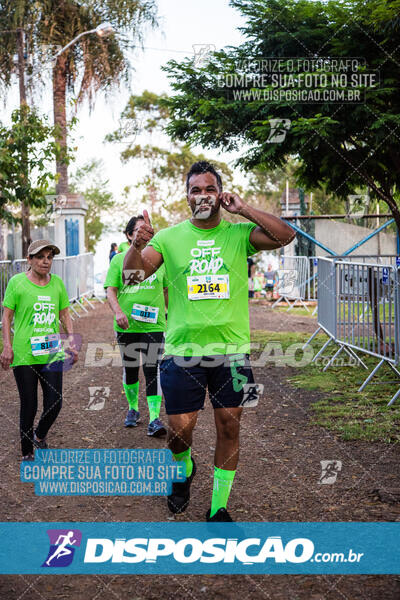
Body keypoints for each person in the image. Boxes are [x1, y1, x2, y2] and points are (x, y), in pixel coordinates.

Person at [123, 161, 295, 521]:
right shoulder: (169, 238)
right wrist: (136, 246)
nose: (202, 195)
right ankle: (183, 471)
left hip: (232, 352)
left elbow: (285, 236)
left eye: (209, 189)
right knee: (179, 433)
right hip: (183, 352)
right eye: (195, 190)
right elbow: (134, 276)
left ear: (220, 194)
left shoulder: (238, 234)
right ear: (187, 197)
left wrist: (244, 209)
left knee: (230, 426)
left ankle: (218, 507)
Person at [0, 240, 78, 461]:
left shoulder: (57, 284)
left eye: (49, 257)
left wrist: (71, 341)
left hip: (52, 350)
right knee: (29, 404)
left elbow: (64, 314)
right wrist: (7, 345)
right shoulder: (17, 283)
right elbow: (6, 317)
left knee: (55, 401)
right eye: (41, 257)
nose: (46, 261)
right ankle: (27, 451)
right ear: (30, 260)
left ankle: (39, 434)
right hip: (25, 351)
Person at [105, 217, 168, 437]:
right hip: (127, 326)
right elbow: (111, 290)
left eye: (148, 231)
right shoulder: (119, 260)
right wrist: (119, 312)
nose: (144, 235)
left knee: (152, 369)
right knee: (131, 369)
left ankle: (154, 418)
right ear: (129, 235)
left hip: (154, 325)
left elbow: (167, 291)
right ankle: (133, 409)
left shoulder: (160, 261)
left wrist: (170, 316)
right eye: (139, 231)